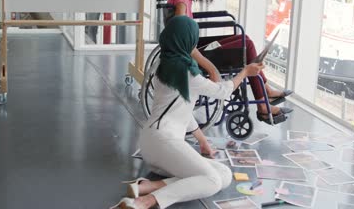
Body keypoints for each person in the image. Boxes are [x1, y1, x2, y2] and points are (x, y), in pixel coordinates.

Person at [111, 16, 265, 209]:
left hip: (152, 143)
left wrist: (202, 141)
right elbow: (222, 91)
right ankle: (145, 202)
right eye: (194, 39)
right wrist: (245, 72)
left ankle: (147, 187)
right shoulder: (187, 72)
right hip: (164, 142)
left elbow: (182, 111)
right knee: (212, 181)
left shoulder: (163, 65)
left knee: (223, 175)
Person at [164, 0, 292, 122]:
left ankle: (265, 93)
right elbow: (183, 44)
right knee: (246, 46)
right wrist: (211, 68)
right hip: (194, 52)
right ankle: (263, 100)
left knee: (245, 41)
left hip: (195, 45)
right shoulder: (181, 1)